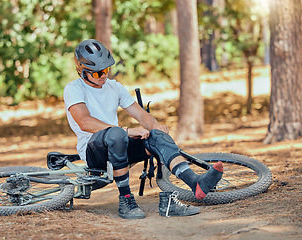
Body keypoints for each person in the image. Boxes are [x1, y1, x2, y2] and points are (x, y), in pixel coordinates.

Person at [63, 39, 223, 219]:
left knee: (156, 137)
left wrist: (156, 127)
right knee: (116, 133)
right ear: (82, 72)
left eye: (106, 70)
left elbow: (142, 116)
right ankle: (126, 200)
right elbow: (85, 122)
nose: (104, 76)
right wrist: (126, 130)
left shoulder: (114, 87)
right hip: (94, 152)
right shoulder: (74, 89)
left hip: (118, 144)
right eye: (98, 72)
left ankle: (196, 183)